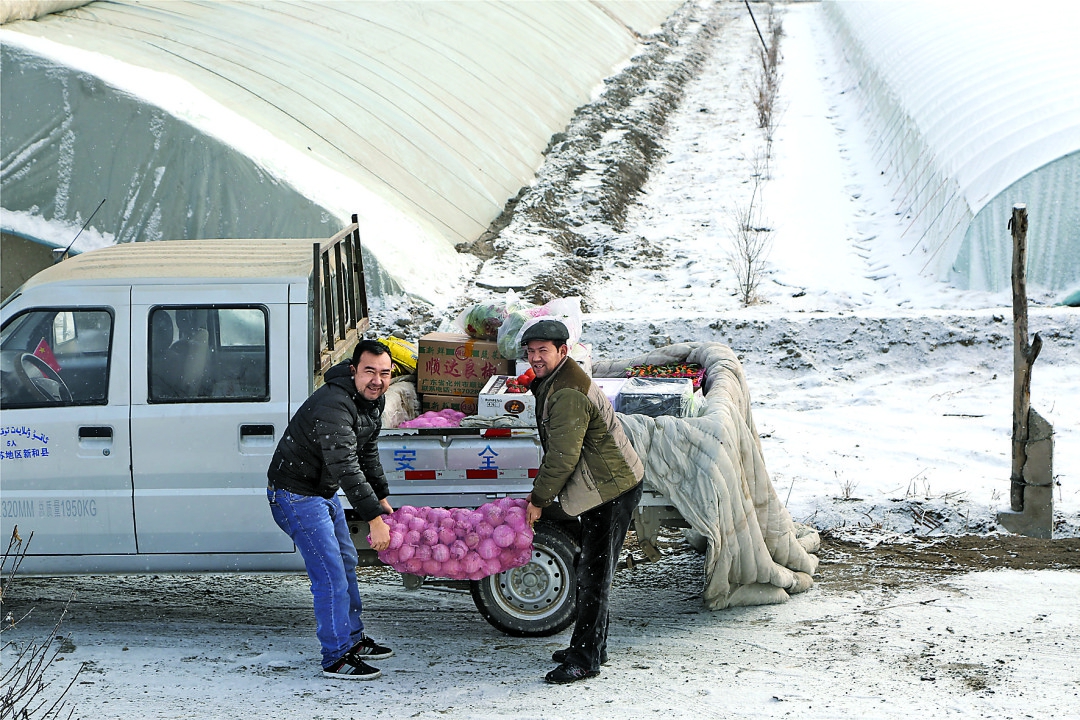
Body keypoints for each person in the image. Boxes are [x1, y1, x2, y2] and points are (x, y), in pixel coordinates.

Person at [522, 319, 645, 684]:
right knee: (589, 567)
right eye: (530, 352)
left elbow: (562, 457)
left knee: (594, 575)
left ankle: (585, 658)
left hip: (609, 490)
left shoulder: (567, 392)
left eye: (543, 351)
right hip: (602, 485)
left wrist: (538, 499)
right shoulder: (558, 380)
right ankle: (594, 645)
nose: (535, 359)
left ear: (562, 351)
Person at [267, 339, 396, 680]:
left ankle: (352, 639)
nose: (377, 380)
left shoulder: (370, 402)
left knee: (347, 563)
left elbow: (366, 453)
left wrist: (381, 497)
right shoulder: (334, 405)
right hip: (295, 495)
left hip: (319, 493)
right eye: (369, 371)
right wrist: (372, 518)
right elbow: (346, 466)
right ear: (354, 370)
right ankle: (336, 656)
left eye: (384, 373)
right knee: (330, 575)